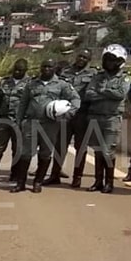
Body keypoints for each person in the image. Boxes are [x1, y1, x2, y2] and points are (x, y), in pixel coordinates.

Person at [12, 59, 80, 194]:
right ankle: (21, 183)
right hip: (31, 122)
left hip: (50, 125)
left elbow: (76, 99)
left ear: (54, 68)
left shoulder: (61, 85)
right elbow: (23, 103)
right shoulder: (31, 84)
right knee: (25, 153)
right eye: (44, 66)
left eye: (49, 66)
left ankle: (38, 182)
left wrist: (68, 114)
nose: (46, 69)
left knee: (45, 153)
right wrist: (19, 121)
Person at [82, 44, 131, 193]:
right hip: (95, 117)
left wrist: (102, 91)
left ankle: (109, 182)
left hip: (112, 118)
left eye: (112, 60)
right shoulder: (97, 77)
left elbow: (120, 94)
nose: (109, 62)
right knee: (97, 151)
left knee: (107, 151)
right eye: (107, 59)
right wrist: (107, 93)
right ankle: (98, 181)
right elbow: (89, 94)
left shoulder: (125, 77)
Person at [52, 49, 96, 186]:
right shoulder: (65, 72)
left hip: (82, 114)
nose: (81, 59)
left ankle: (77, 177)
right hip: (65, 113)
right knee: (60, 145)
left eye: (85, 57)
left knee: (81, 147)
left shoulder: (93, 74)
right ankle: (55, 174)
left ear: (89, 60)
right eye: (80, 56)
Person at [0, 58, 28, 186]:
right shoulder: (4, 82)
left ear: (25, 71)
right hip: (3, 120)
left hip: (20, 121)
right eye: (15, 69)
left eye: (20, 70)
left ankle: (15, 174)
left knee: (18, 149)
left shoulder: (30, 84)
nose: (17, 72)